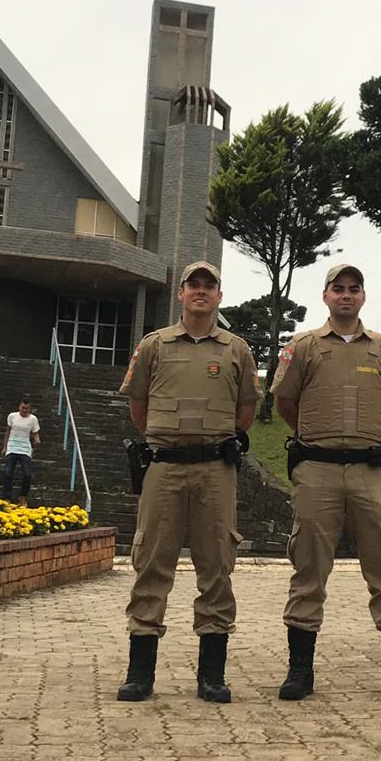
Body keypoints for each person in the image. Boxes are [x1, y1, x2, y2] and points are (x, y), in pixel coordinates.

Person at [271, 263, 381, 701]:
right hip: (317, 470)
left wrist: (362, 439)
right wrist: (320, 439)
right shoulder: (303, 346)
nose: (346, 295)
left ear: (363, 297)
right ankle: (299, 671)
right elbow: (286, 402)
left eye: (354, 289)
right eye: (338, 289)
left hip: (371, 471)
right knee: (308, 566)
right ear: (325, 297)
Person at [116, 261, 259, 704]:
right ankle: (140, 674)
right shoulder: (154, 346)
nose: (200, 291)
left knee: (216, 565)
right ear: (180, 294)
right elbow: (138, 404)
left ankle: (211, 676)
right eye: (193, 284)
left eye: (208, 285)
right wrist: (167, 440)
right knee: (151, 562)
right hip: (164, 467)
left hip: (216, 470)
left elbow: (246, 411)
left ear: (219, 296)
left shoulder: (236, 349)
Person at [1, 400, 41, 503]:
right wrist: (5, 447)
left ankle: (23, 496)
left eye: (27, 408)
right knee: (8, 473)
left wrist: (37, 439)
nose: (24, 410)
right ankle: (7, 497)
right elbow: (8, 431)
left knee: (27, 474)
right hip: (12, 446)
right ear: (19, 407)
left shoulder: (33, 419)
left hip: (24, 448)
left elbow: (35, 432)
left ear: (29, 409)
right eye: (23, 408)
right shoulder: (12, 416)